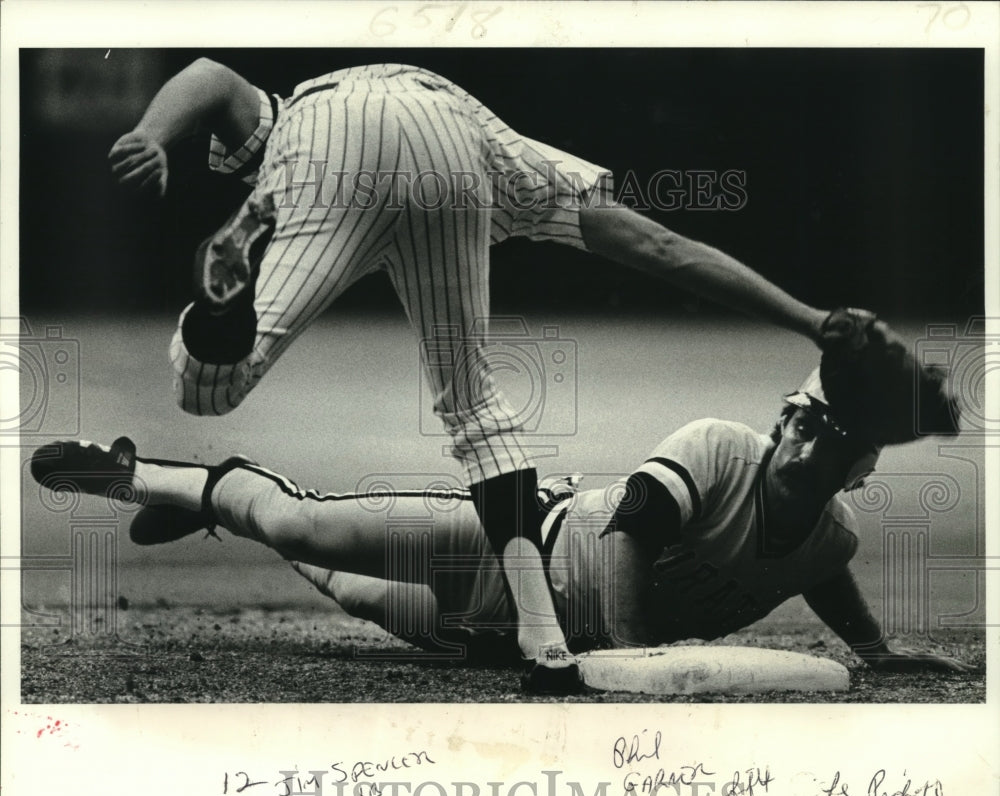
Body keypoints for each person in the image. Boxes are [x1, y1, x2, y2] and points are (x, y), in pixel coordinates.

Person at [105, 58, 863, 691]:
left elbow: (206, 75)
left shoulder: (286, 122)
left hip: (328, 138)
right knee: (472, 404)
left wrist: (150, 134)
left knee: (209, 392)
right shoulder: (517, 159)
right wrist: (808, 319)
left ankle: (219, 335)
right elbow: (664, 249)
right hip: (458, 132)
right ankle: (547, 646)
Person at [30, 369, 973, 676]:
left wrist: (877, 651)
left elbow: (823, 569)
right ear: (780, 419)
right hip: (519, 551)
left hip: (515, 646)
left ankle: (213, 514)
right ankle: (149, 475)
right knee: (302, 524)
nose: (802, 433)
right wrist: (637, 663)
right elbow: (634, 527)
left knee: (345, 592)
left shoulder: (832, 532)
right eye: (799, 414)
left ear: (859, 462)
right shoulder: (722, 447)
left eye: (829, 429)